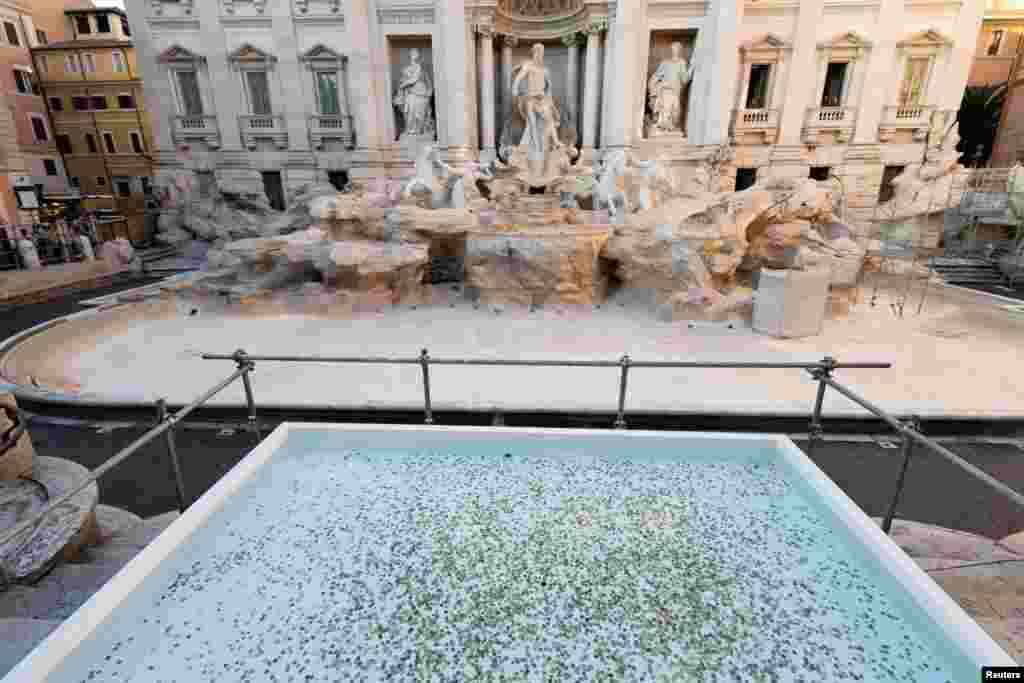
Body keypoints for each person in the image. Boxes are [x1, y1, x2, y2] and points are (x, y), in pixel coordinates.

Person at [511, 43, 564, 161]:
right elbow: (519, 78)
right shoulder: (528, 66)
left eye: (541, 52)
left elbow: (549, 86)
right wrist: (515, 89)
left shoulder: (545, 70)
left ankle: (555, 142)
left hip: (542, 99)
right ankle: (536, 150)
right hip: (530, 99)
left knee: (549, 119)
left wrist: (549, 99)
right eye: (538, 52)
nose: (540, 54)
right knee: (532, 124)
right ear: (534, 53)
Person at [647, 42, 693, 133]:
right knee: (664, 107)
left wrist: (691, 70)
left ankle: (668, 127)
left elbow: (684, 79)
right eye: (673, 49)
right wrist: (652, 85)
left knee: (673, 109)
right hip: (664, 89)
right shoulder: (665, 63)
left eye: (676, 49)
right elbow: (656, 76)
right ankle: (663, 126)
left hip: (674, 90)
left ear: (679, 51)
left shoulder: (681, 63)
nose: (674, 51)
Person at [393, 49, 434, 136]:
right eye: (412, 54)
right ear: (410, 55)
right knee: (410, 112)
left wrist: (429, 92)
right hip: (411, 93)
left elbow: (422, 81)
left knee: (420, 114)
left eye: (416, 54)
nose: (414, 55)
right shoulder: (406, 69)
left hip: (422, 94)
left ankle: (419, 130)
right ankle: (411, 130)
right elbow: (403, 82)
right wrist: (404, 83)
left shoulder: (421, 69)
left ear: (418, 56)